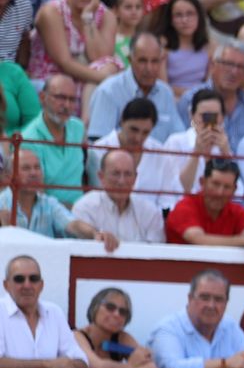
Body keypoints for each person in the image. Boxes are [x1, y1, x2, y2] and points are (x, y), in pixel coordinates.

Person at [28, 0, 118, 114]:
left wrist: (88, 17)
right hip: (50, 77)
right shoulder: (51, 11)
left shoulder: (107, 15)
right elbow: (65, 63)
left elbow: (100, 58)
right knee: (106, 79)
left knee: (110, 65)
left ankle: (88, 130)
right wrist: (104, 78)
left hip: (85, 79)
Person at [165, 157, 244, 273]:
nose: (220, 193)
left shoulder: (237, 211)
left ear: (234, 190)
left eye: (227, 187)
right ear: (202, 182)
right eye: (215, 184)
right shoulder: (185, 206)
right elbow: (199, 239)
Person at [149, 269, 244, 368]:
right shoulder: (168, 328)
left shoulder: (230, 326)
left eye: (218, 299)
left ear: (226, 303)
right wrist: (225, 364)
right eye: (204, 297)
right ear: (190, 299)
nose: (211, 305)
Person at [0, 254, 89, 368]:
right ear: (6, 285)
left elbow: (82, 360)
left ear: (41, 285)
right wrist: (48, 365)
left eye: (33, 279)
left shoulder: (54, 312)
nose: (27, 285)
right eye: (19, 279)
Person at [86, 32, 183, 141]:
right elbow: (98, 147)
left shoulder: (165, 92)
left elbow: (179, 137)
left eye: (155, 61)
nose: (149, 68)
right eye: (143, 61)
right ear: (130, 60)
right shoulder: (108, 92)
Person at [178, 38, 244, 149]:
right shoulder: (190, 100)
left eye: (240, 67)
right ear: (212, 65)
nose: (234, 72)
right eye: (228, 64)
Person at [0, 148, 100, 241]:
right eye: (26, 168)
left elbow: (73, 224)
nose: (33, 173)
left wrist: (94, 234)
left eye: (37, 167)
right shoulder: (1, 203)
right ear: (9, 176)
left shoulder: (49, 203)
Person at [19, 74, 88, 207]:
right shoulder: (28, 139)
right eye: (60, 97)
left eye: (72, 99)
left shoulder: (78, 128)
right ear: (43, 98)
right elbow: (36, 196)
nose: (67, 105)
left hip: (81, 210)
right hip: (48, 216)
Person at [71, 148, 163, 245]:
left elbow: (157, 256)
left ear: (135, 178)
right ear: (101, 177)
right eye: (115, 174)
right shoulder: (85, 208)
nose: (121, 181)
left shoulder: (150, 213)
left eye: (128, 174)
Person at [158, 88, 231, 209]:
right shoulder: (176, 142)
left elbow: (236, 192)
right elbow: (180, 189)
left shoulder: (224, 146)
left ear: (222, 118)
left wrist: (225, 154)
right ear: (191, 115)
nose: (209, 121)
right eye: (204, 116)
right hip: (184, 209)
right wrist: (196, 152)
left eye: (214, 116)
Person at [73, 286, 154, 368]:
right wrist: (131, 366)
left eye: (123, 312)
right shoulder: (77, 336)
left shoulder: (122, 338)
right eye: (110, 307)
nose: (116, 314)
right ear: (95, 307)